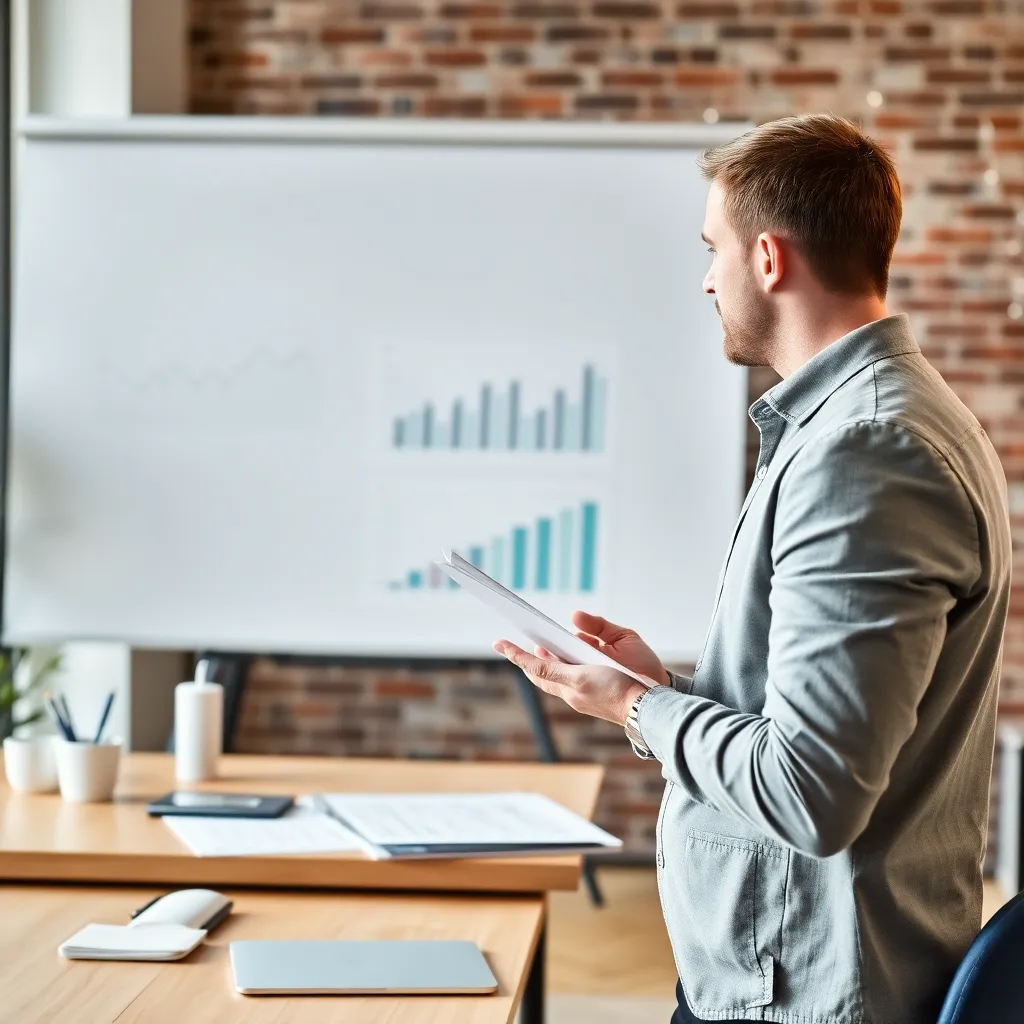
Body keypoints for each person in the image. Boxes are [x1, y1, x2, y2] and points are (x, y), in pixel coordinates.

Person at [494, 114, 1012, 1024]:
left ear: (768, 259)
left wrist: (634, 708)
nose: (706, 277)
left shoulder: (866, 450)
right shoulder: (864, 423)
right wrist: (664, 687)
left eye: (713, 248)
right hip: (786, 978)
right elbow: (823, 717)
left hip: (802, 996)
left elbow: (813, 791)